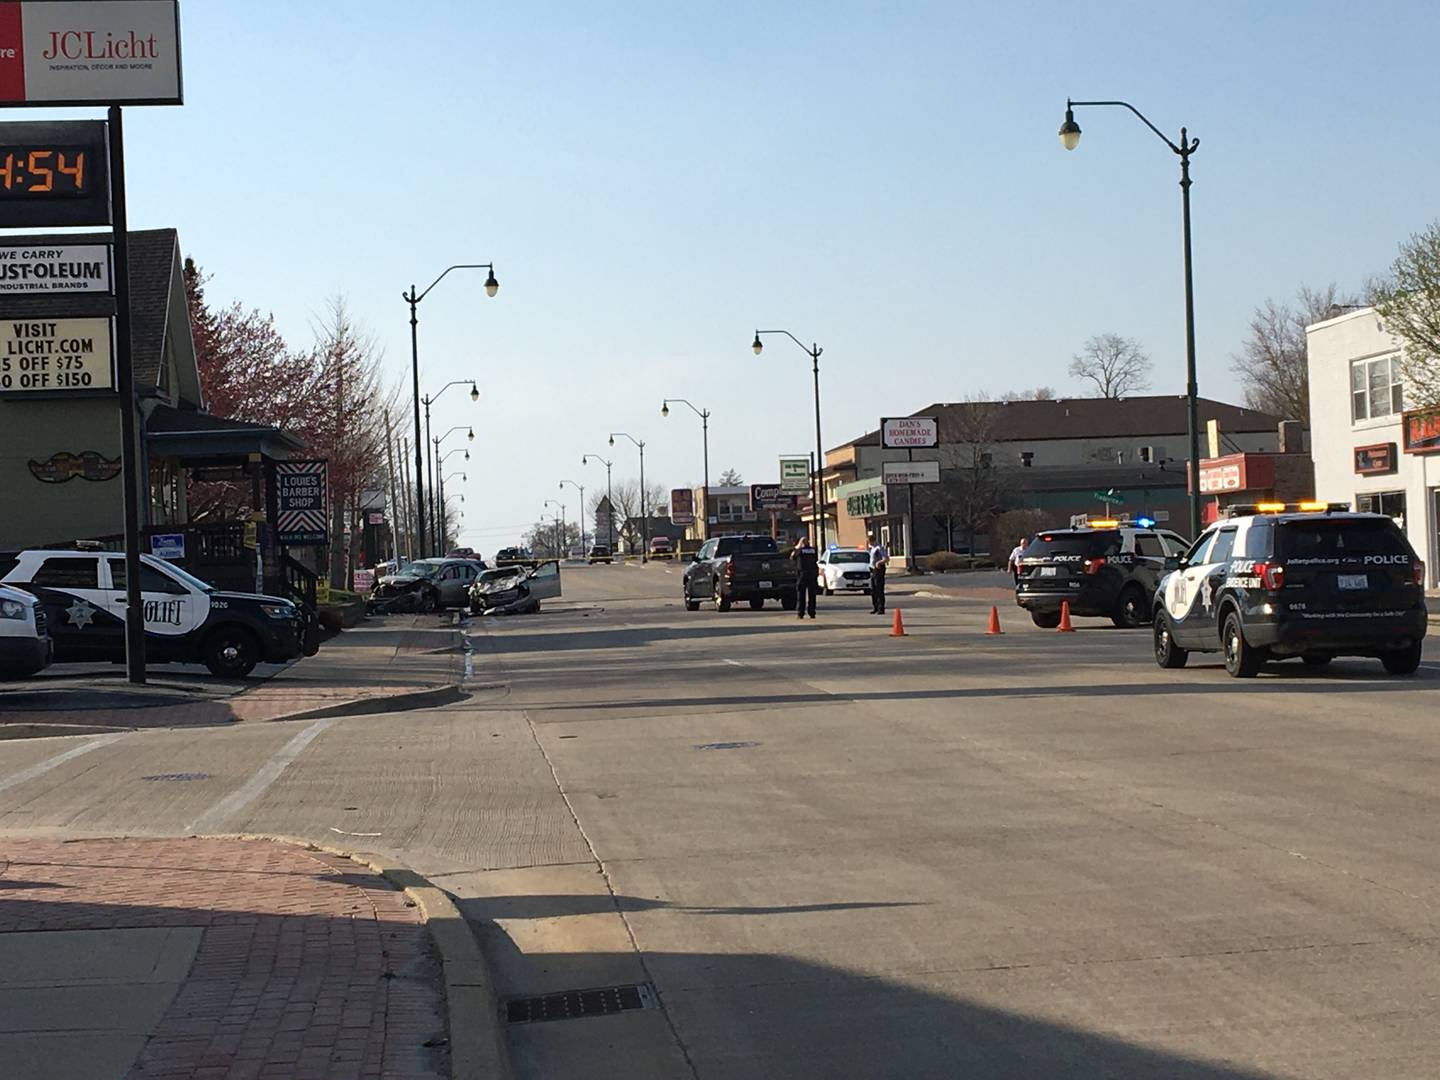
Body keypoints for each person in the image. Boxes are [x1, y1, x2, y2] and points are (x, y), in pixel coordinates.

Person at [790, 532, 819, 619]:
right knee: (812, 595)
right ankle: (812, 612)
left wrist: (797, 547)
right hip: (812, 574)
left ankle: (800, 612)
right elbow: (815, 559)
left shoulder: (799, 551)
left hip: (802, 574)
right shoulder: (813, 550)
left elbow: (792, 557)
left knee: (801, 594)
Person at [868, 537, 890, 614]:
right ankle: (875, 607)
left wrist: (879, 562)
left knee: (879, 589)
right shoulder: (871, 548)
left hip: (879, 570)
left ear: (873, 540)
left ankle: (881, 608)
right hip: (873, 570)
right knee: (873, 590)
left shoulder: (879, 548)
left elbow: (886, 558)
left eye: (870, 541)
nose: (869, 543)